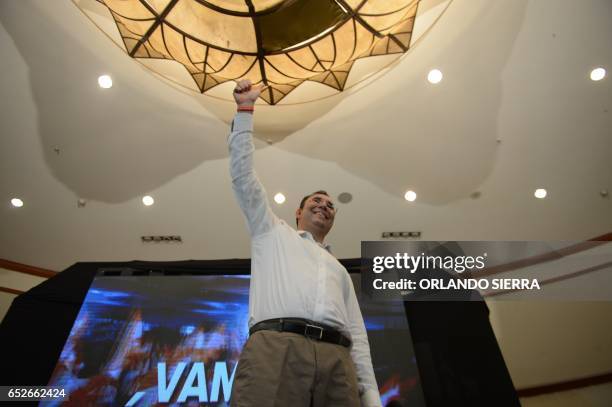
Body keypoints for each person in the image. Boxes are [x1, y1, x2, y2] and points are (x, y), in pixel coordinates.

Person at [228, 79, 382, 407]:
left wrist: (370, 397)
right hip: (275, 351)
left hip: (338, 362)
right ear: (298, 211)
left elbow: (358, 335)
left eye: (330, 205)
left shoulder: (339, 270)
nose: (324, 206)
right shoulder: (271, 232)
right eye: (317, 200)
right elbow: (244, 179)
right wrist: (244, 111)